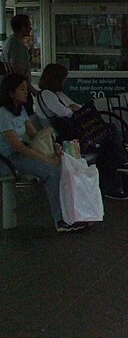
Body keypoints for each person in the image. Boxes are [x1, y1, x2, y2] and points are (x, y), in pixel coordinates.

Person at [36, 63, 128, 200]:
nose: (65, 81)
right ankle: (120, 168)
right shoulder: (46, 94)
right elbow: (65, 112)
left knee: (106, 144)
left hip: (73, 134)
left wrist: (74, 108)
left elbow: (77, 107)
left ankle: (113, 185)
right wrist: (72, 108)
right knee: (109, 131)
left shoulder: (59, 94)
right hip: (65, 139)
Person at [0, 73, 83, 232]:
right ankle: (61, 221)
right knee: (52, 172)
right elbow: (19, 147)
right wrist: (46, 159)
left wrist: (53, 147)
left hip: (19, 155)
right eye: (22, 89)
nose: (27, 92)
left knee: (59, 168)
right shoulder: (3, 114)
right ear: (11, 93)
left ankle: (70, 213)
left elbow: (35, 136)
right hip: (7, 160)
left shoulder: (21, 110)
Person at [2, 14, 36, 114]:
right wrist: (32, 90)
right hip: (19, 90)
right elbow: (19, 72)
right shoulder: (17, 47)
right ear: (21, 27)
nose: (30, 28)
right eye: (28, 25)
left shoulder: (9, 42)